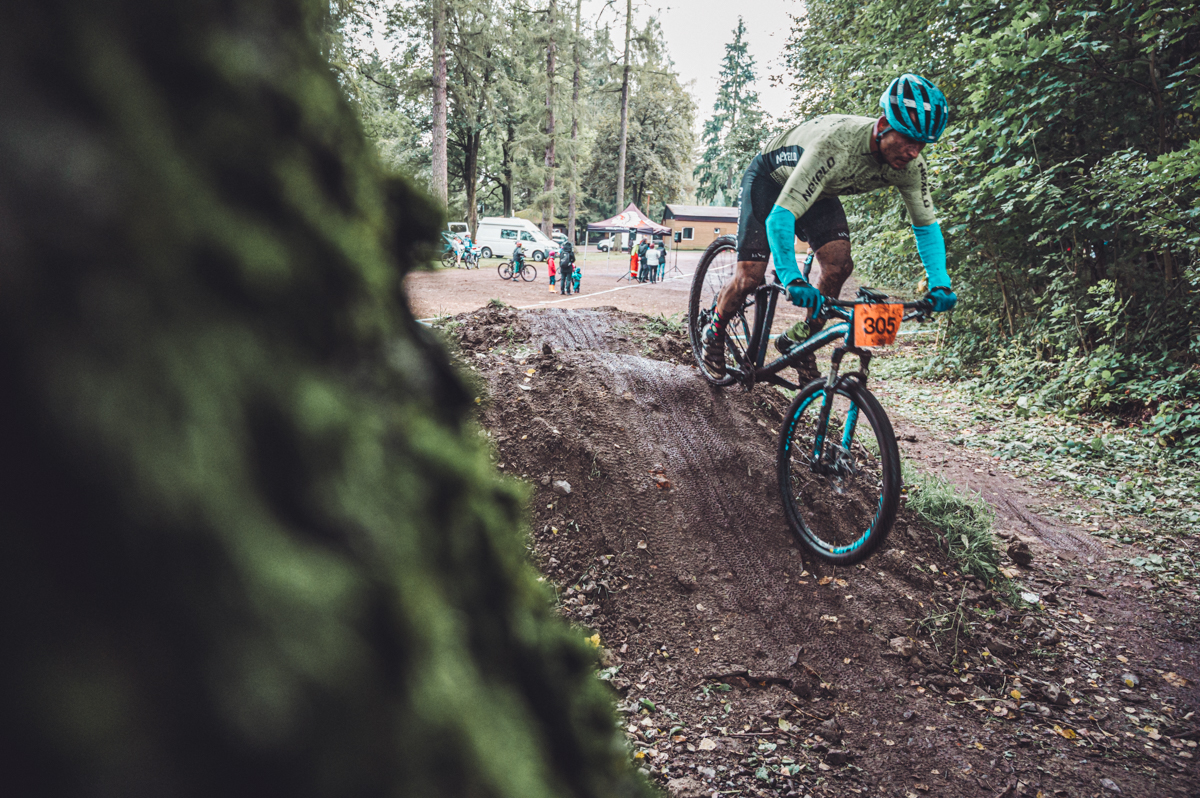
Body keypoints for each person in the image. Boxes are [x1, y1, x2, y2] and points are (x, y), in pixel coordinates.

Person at [701, 74, 958, 381]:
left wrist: (940, 282)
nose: (914, 152)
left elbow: (926, 226)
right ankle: (714, 331)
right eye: (908, 140)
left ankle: (802, 342)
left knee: (839, 266)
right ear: (883, 126)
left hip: (818, 189)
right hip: (770, 181)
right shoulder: (836, 145)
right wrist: (792, 278)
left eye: (922, 144)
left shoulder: (911, 167)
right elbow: (779, 218)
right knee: (749, 277)